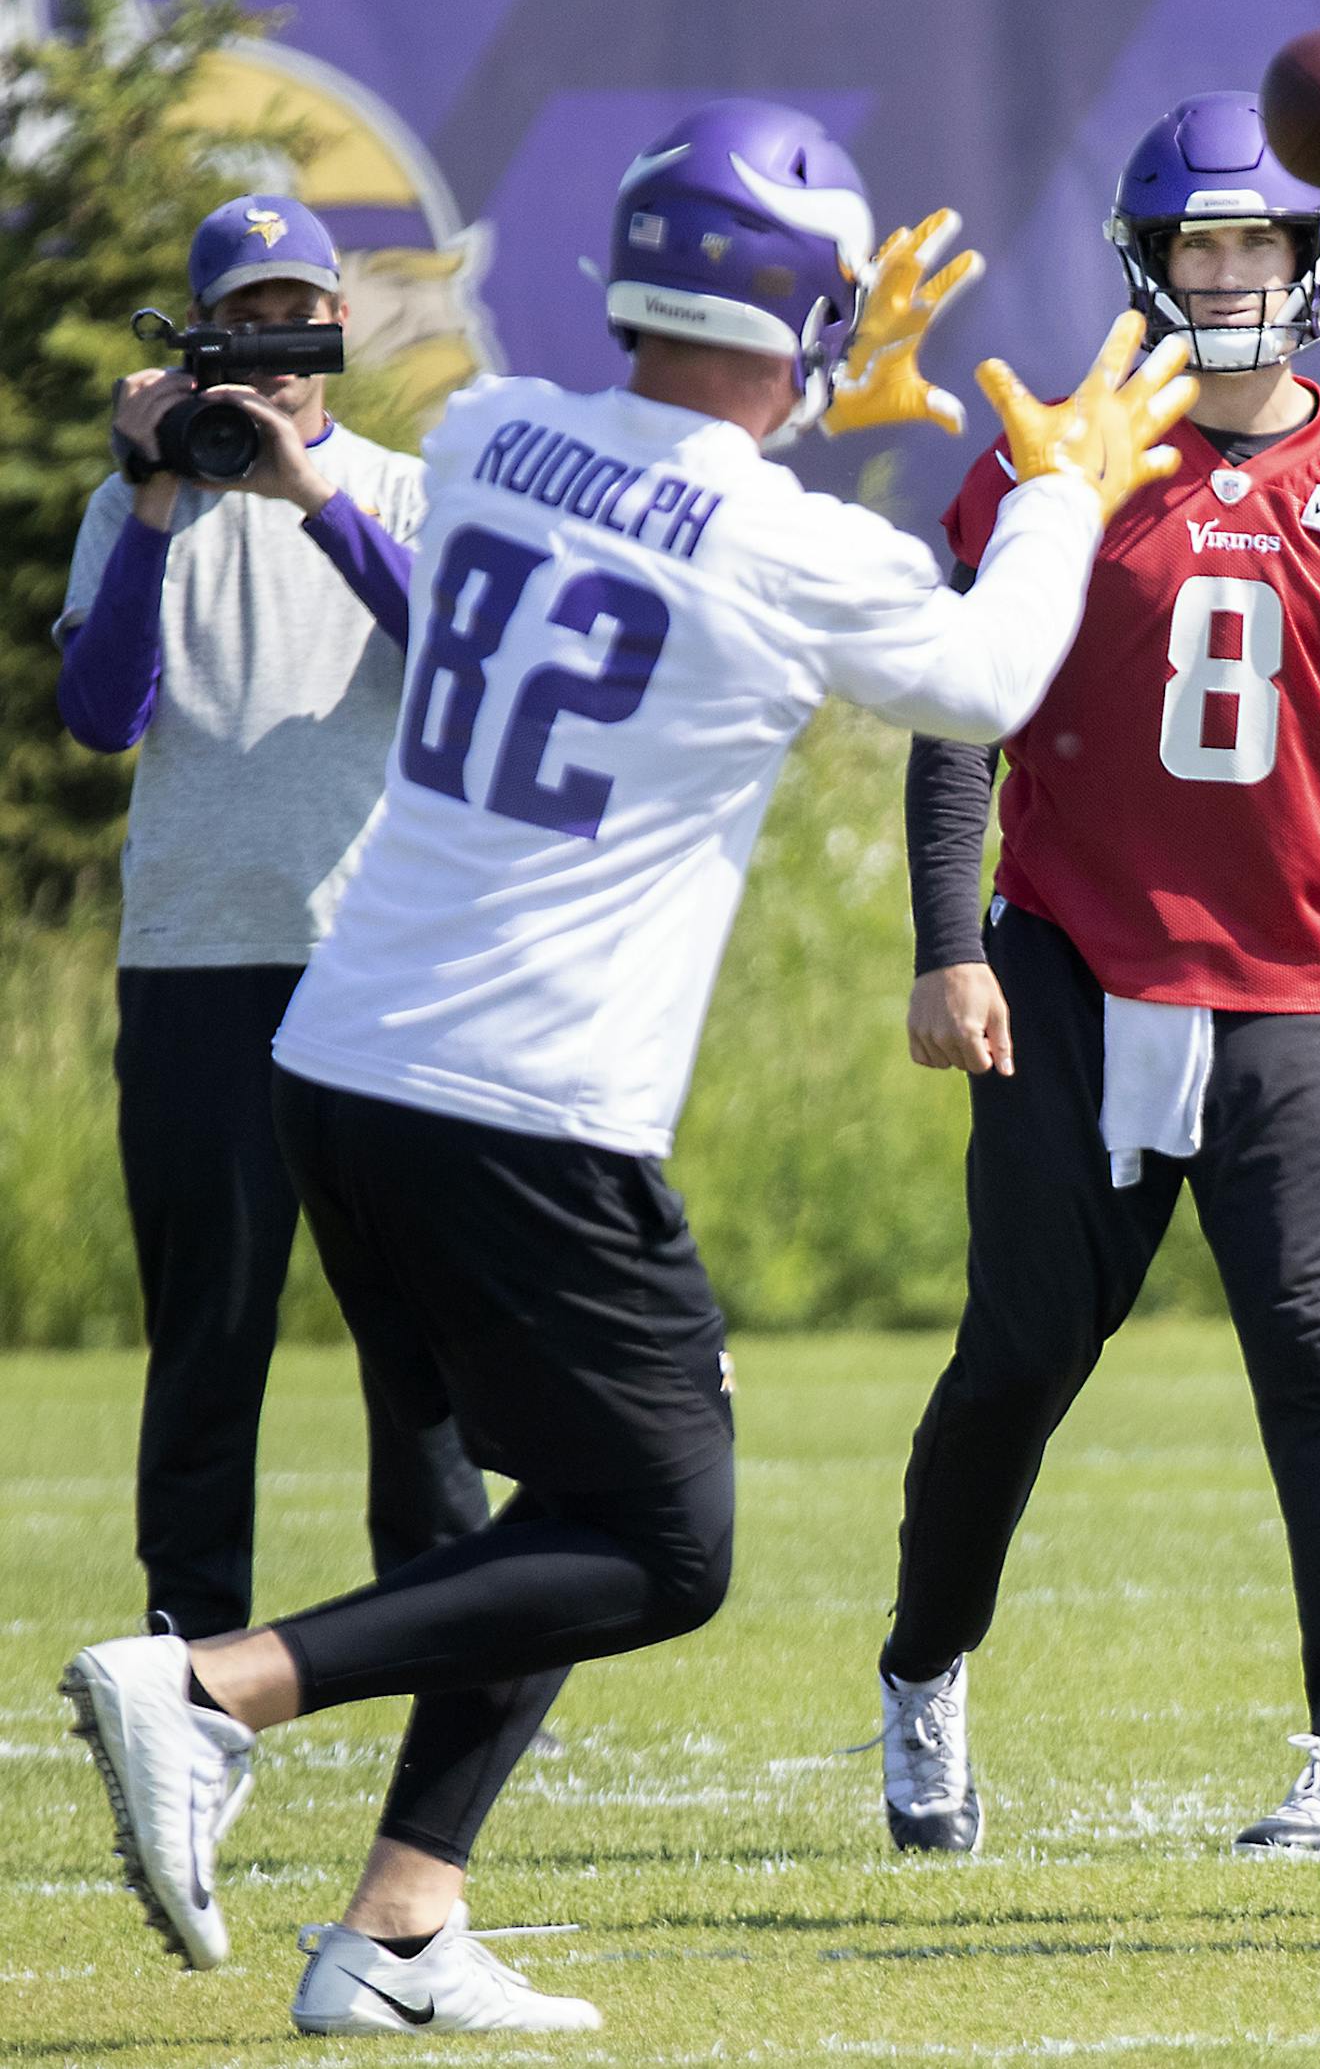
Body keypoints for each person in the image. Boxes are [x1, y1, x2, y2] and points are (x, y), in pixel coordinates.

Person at [58, 98, 1196, 2036]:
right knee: (662, 1537)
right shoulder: (781, 536)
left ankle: (399, 1927)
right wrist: (1066, 480)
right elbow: (984, 675)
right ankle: (212, 1684)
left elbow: (667, 505)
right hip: (523, 1098)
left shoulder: (492, 438)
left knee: (558, 1509)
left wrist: (815, 397)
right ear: (802, 315)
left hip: (350, 1056)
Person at [881, 90, 1320, 1857]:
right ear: (1151, 262)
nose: (1228, 274)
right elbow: (956, 718)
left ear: (1311, 256)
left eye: (1257, 241)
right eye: (1199, 243)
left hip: (1292, 988)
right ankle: (926, 1679)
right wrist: (942, 942)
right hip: (1067, 969)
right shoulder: (1061, 464)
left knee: (1319, 1345)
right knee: (1014, 1357)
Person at [54, 193, 491, 1644]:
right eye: (247, 317)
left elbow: (454, 660)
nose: (279, 342)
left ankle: (438, 1623)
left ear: (343, 327)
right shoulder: (136, 506)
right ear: (200, 338)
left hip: (373, 961)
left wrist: (309, 490)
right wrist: (161, 492)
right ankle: (189, 1635)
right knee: (209, 1326)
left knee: (415, 1334)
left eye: (300, 311)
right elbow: (102, 713)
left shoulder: (402, 489)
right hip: (195, 965)